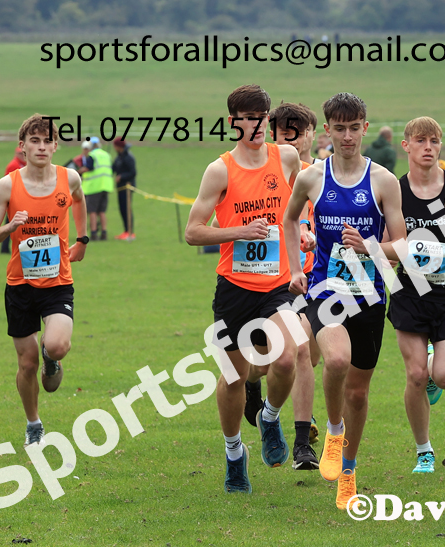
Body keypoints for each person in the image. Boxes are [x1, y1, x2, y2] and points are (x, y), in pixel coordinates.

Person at [282, 92, 407, 510]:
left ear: (365, 128)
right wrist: (294, 267)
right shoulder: (312, 178)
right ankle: (334, 433)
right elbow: (288, 219)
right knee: (334, 360)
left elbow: (403, 246)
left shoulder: (384, 181)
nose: (348, 136)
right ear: (328, 130)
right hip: (325, 290)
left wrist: (371, 246)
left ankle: (348, 470)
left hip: (370, 296)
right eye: (340, 128)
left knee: (358, 392)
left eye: (355, 128)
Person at [184, 84, 309, 494]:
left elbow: (297, 206)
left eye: (262, 116)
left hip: (278, 284)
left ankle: (271, 418)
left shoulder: (287, 157)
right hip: (234, 288)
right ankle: (235, 453)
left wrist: (304, 230)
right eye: (249, 118)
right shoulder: (219, 170)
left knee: (287, 357)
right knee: (234, 379)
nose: (257, 125)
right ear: (233, 122)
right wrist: (240, 231)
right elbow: (192, 232)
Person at [0, 114, 88, 447]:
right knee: (26, 363)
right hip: (20, 285)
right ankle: (33, 423)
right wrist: (9, 228)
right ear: (22, 147)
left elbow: (80, 201)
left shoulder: (68, 179)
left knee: (57, 344)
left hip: (57, 282)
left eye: (47, 141)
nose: (41, 147)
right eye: (35, 141)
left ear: (56, 146)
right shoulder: (8, 185)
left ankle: (52, 359)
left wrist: (82, 241)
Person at [389, 117, 445, 473]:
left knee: (444, 377)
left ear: (441, 147)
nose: (428, 147)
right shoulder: (394, 191)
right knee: (414, 375)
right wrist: (383, 249)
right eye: (421, 140)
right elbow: (389, 246)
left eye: (434, 141)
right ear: (406, 145)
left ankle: (431, 365)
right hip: (409, 291)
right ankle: (423, 451)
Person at [240, 101, 321, 471]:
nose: (291, 139)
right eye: (283, 132)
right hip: (276, 281)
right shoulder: (266, 171)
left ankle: (302, 437)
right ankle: (255, 386)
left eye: (298, 132)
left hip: (318, 278)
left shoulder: (325, 176)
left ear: (311, 136)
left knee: (308, 355)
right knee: (277, 360)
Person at [78, 137, 113, 241]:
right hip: (106, 186)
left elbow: (89, 167)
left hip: (94, 187)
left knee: (92, 210)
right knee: (102, 211)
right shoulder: (106, 155)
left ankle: (93, 233)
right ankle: (104, 232)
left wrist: (78, 172)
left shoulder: (93, 155)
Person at [1, 146, 28, 254]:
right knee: (10, 224)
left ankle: (7, 248)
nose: (22, 156)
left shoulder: (24, 165)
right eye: (20, 154)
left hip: (20, 199)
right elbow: (9, 183)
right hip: (13, 200)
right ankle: (5, 248)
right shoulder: (13, 165)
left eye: (23, 154)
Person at [112, 138, 137, 241]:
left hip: (127, 187)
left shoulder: (128, 157)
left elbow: (133, 172)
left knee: (127, 209)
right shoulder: (119, 157)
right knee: (122, 209)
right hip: (120, 187)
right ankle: (126, 231)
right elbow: (113, 168)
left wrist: (121, 177)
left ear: (119, 146)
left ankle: (130, 232)